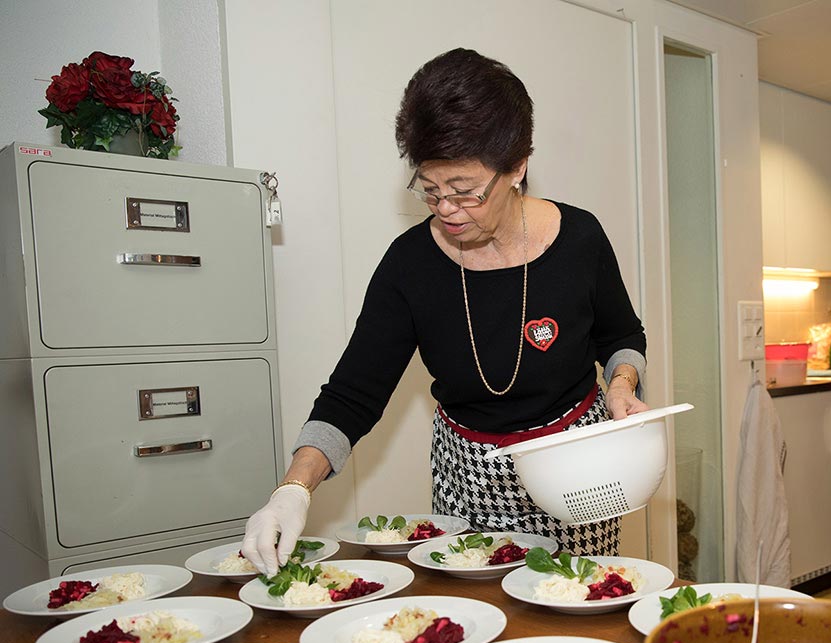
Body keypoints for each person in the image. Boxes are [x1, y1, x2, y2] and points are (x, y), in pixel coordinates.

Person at [241, 48, 648, 575]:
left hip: (577, 470)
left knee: (578, 598)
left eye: (465, 191)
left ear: (518, 166)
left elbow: (622, 335)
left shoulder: (580, 239)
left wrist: (622, 384)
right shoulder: (410, 264)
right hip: (469, 475)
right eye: (431, 191)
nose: (447, 209)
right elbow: (352, 394)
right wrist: (293, 489)